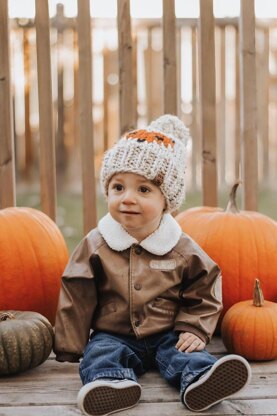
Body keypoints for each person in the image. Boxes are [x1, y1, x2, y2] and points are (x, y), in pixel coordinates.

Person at [54, 114, 251, 416]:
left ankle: (201, 379)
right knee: (101, 354)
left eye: (143, 190)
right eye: (118, 187)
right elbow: (76, 291)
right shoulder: (97, 243)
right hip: (113, 333)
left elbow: (205, 285)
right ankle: (111, 384)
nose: (127, 198)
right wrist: (71, 343)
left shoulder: (180, 247)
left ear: (166, 201)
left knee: (186, 352)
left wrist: (195, 328)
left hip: (168, 331)